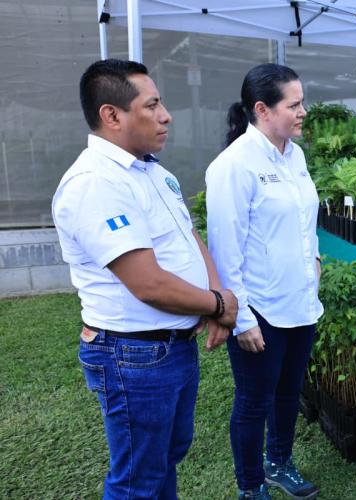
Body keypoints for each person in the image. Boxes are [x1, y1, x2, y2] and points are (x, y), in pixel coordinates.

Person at [52, 59, 238, 499]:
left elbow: (189, 236)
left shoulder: (153, 171)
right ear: (112, 115)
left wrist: (215, 294)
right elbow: (148, 284)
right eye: (151, 105)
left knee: (165, 457)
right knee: (138, 479)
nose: (166, 115)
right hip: (134, 354)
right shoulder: (96, 183)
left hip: (170, 347)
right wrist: (218, 305)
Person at [206, 63, 323, 500]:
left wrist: (314, 259)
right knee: (254, 401)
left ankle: (279, 463)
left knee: (288, 394)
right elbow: (225, 250)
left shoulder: (295, 155)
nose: (302, 112)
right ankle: (251, 486)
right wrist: (241, 320)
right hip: (261, 310)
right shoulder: (234, 166)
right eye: (294, 105)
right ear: (262, 109)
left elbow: (304, 219)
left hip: (301, 302)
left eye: (302, 103)